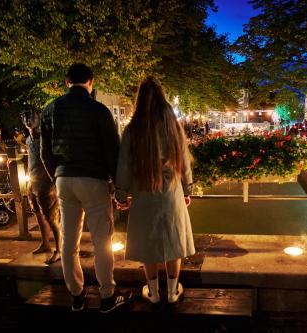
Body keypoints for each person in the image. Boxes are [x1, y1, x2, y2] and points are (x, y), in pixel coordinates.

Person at [40, 63, 130, 313]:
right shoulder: (99, 111)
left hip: (64, 180)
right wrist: (119, 188)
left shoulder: (50, 110)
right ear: (90, 82)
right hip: (93, 179)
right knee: (102, 239)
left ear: (67, 83)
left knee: (69, 240)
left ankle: (76, 295)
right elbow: (112, 152)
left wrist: (56, 176)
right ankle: (107, 296)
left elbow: (43, 152)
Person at [115, 77, 195, 304]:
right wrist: (187, 188)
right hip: (171, 191)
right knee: (173, 238)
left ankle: (153, 292)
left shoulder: (133, 129)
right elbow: (185, 161)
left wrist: (121, 194)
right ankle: (171, 292)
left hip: (144, 189)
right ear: (163, 98)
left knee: (148, 242)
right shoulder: (173, 126)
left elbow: (124, 164)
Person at [22, 111, 60, 264]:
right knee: (37, 214)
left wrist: (53, 180)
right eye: (25, 117)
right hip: (32, 181)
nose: (28, 120)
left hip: (46, 182)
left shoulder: (47, 138)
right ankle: (45, 244)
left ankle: (59, 249)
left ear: (39, 119)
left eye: (31, 117)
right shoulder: (28, 140)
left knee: (51, 217)